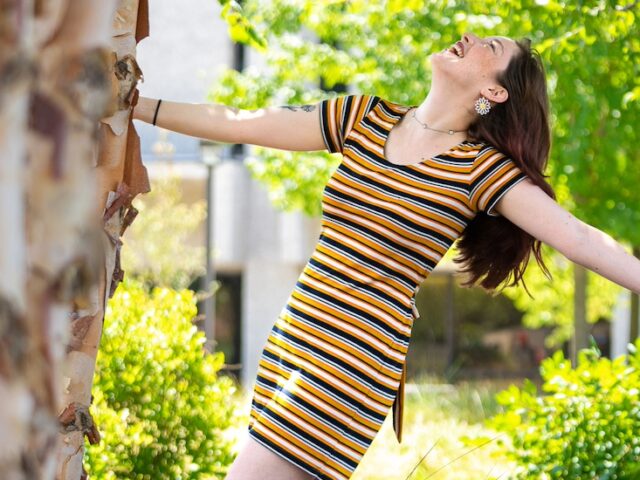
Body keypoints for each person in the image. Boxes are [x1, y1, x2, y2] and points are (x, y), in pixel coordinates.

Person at [133, 32, 640, 480]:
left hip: (354, 356)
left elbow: (578, 237)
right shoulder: (365, 118)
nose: (468, 35)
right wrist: (135, 104)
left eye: (491, 46)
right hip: (297, 335)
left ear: (494, 92)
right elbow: (243, 123)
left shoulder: (479, 170)